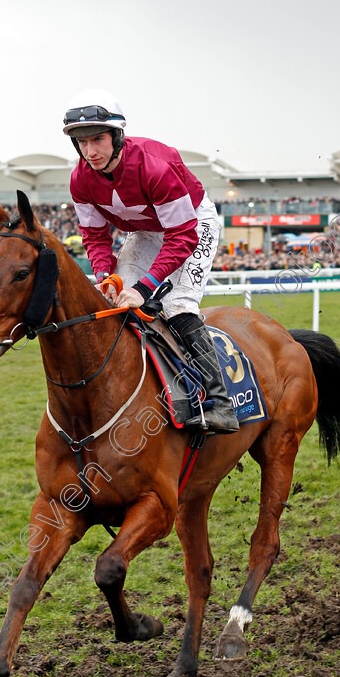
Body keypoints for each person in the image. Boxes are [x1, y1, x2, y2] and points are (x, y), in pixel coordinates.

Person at [63, 89, 239, 433]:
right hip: (146, 233)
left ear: (117, 135)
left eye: (97, 139)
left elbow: (182, 237)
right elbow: (96, 236)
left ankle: (219, 403)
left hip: (191, 226)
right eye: (82, 143)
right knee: (112, 300)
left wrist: (145, 288)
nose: (90, 151)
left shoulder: (154, 166)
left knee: (176, 306)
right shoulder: (80, 178)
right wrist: (104, 274)